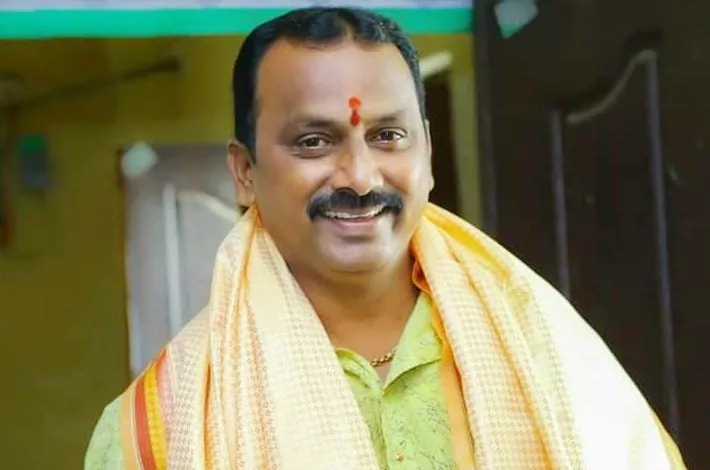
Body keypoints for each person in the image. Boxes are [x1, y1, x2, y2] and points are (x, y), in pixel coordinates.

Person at [85, 7, 686, 470]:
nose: (361, 177)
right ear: (244, 172)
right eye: (314, 142)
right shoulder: (163, 425)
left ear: (427, 152)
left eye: (388, 137)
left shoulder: (551, 357)